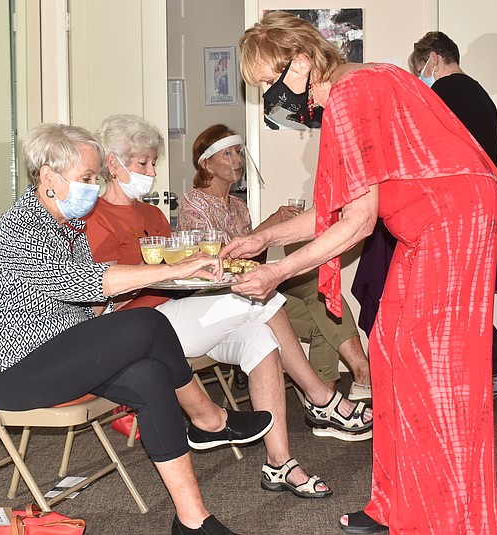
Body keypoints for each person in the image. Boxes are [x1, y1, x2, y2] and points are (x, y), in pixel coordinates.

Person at [228, 12, 497, 534]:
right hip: (435, 220)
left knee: (437, 375)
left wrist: (277, 273)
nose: (270, 95)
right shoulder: (357, 86)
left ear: (304, 60)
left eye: (271, 80)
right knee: (389, 349)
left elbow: (356, 224)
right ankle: (396, 506)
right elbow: (337, 208)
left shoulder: (351, 95)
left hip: (452, 220)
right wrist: (265, 238)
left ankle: (445, 519)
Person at [0, 123, 275, 535]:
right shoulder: (21, 229)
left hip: (57, 351)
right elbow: (85, 281)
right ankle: (210, 419)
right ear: (49, 177)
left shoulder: (64, 225)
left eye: (96, 178)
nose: (95, 187)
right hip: (11, 372)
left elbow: (82, 301)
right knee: (149, 321)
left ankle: (193, 521)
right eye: (87, 178)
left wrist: (120, 302)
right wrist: (177, 268)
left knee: (150, 375)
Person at [84, 116, 373, 496]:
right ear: (112, 163)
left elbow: (180, 274)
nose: (153, 171)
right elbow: (100, 293)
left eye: (154, 162)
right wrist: (169, 272)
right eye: (143, 164)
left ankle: (280, 463)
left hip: (179, 311)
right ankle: (320, 398)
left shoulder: (153, 215)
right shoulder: (96, 218)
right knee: (259, 298)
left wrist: (191, 270)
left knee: (261, 340)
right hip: (139, 327)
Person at [176, 124, 372, 406]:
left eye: (239, 152)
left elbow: (250, 259)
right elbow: (216, 262)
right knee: (319, 322)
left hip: (245, 285)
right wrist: (271, 224)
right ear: (206, 164)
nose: (237, 160)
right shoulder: (192, 205)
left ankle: (348, 379)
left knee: (321, 287)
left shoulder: (238, 205)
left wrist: (274, 229)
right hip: (220, 295)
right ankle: (325, 400)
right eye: (227, 154)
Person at [409, 31, 497, 398]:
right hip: (483, 204)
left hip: (460, 209)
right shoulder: (478, 94)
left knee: (452, 297)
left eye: (419, 69)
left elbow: (428, 155)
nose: (419, 78)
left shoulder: (443, 95)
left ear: (433, 58)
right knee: (459, 294)